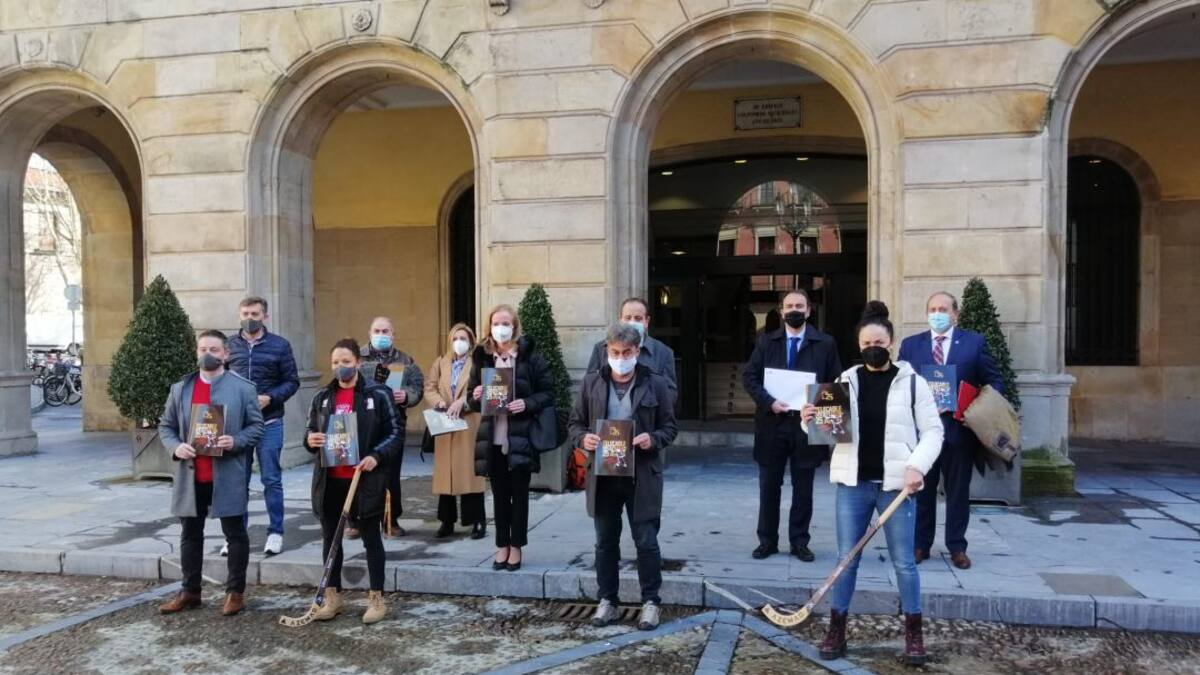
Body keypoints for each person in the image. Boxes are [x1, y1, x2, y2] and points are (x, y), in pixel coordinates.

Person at [803, 301, 943, 665]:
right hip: (854, 484)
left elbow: (933, 432)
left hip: (896, 485)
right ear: (859, 346)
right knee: (846, 560)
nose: (872, 348)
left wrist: (917, 467)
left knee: (904, 564)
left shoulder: (914, 383)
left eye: (878, 341)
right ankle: (837, 630)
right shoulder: (845, 381)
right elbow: (829, 434)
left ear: (892, 342)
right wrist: (809, 421)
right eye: (866, 343)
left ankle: (913, 634)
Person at [569, 323, 678, 631]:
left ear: (637, 352)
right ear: (607, 352)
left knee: (645, 540)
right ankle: (608, 600)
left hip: (641, 475)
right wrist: (583, 439)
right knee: (605, 541)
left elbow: (670, 428)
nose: (620, 358)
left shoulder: (654, 384)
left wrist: (651, 439)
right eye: (614, 352)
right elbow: (575, 423)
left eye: (626, 353)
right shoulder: (592, 382)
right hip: (603, 476)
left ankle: (651, 602)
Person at [158, 330, 264, 617]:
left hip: (226, 473)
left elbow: (257, 426)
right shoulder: (181, 388)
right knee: (190, 534)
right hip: (191, 475)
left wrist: (237, 441)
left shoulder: (243, 388)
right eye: (203, 348)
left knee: (235, 535)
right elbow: (165, 426)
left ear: (226, 354)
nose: (208, 353)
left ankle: (235, 593)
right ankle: (190, 590)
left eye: (214, 349)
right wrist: (175, 446)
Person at [899, 291, 1005, 570]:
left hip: (959, 432)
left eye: (943, 309)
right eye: (933, 308)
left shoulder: (974, 343)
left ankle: (957, 546)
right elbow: (899, 385)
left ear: (955, 314)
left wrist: (972, 408)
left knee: (958, 493)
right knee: (922, 492)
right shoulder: (911, 346)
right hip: (923, 435)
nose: (938, 313)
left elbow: (995, 381)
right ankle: (920, 545)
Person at [303, 338, 400, 624]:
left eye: (346, 362)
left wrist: (376, 456)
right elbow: (310, 433)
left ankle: (376, 598)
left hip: (364, 479)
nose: (340, 367)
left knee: (371, 538)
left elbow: (395, 433)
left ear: (358, 362)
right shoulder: (322, 398)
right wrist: (310, 440)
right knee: (331, 540)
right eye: (335, 362)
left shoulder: (377, 394)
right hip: (331, 480)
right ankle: (332, 597)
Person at [741, 289, 842, 562]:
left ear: (809, 310)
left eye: (800, 305)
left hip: (807, 426)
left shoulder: (825, 344)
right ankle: (767, 541)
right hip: (772, 423)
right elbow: (749, 377)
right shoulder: (766, 342)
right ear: (781, 311)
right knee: (769, 486)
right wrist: (768, 402)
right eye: (789, 306)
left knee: (804, 488)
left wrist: (821, 413)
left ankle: (800, 542)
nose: (794, 310)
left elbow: (834, 384)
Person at [467, 304, 554, 572]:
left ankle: (516, 547)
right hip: (492, 436)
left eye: (506, 323)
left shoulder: (530, 357)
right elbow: (471, 398)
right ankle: (501, 544)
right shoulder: (482, 357)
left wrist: (527, 403)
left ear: (515, 326)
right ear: (489, 326)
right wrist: (477, 395)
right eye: (496, 323)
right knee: (500, 495)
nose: (501, 328)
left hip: (520, 437)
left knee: (519, 494)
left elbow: (548, 393)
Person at [225, 296, 299, 556]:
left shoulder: (280, 345)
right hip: (237, 427)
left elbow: (292, 381)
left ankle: (276, 532)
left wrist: (271, 397)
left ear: (264, 316)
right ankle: (235, 536)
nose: (249, 318)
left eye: (255, 314)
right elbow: (218, 381)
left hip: (270, 421)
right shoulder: (229, 346)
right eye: (245, 312)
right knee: (238, 481)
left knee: (271, 479)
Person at [359, 316, 424, 538]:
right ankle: (356, 520)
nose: (381, 335)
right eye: (377, 330)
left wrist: (405, 395)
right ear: (369, 333)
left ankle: (391, 519)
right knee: (360, 471)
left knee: (391, 475)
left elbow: (417, 387)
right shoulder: (357, 357)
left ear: (393, 334)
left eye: (386, 331)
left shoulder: (405, 360)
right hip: (364, 425)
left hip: (393, 424)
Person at [424, 323, 487, 539]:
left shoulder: (477, 362)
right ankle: (446, 521)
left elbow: (481, 389)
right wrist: (439, 402)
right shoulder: (441, 362)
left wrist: (463, 402)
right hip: (445, 424)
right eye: (455, 338)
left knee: (471, 474)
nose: (459, 342)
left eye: (464, 338)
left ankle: (477, 521)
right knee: (445, 476)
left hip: (468, 423)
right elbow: (430, 387)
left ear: (471, 341)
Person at [585, 297, 677, 401]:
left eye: (638, 318)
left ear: (647, 321)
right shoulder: (601, 348)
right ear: (620, 320)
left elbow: (670, 394)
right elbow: (589, 386)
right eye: (628, 318)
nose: (632, 322)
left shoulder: (663, 353)